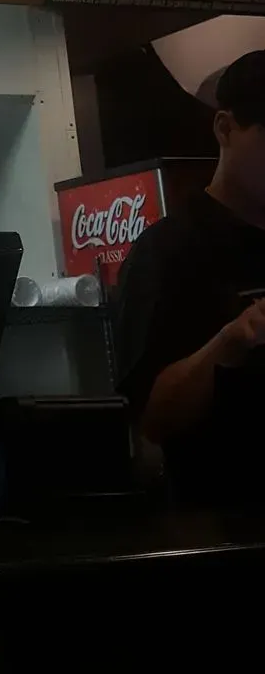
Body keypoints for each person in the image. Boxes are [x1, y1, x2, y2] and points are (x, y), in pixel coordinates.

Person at [115, 49, 265, 505]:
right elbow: (152, 421)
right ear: (225, 128)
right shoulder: (169, 250)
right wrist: (230, 342)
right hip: (219, 522)